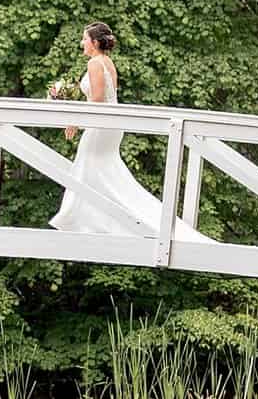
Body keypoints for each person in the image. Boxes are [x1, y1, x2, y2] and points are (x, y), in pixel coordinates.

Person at [48, 21, 169, 237]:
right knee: (105, 172)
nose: (81, 42)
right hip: (111, 124)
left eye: (85, 38)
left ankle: (88, 223)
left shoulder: (95, 63)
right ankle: (110, 222)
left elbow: (97, 100)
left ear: (94, 42)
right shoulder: (107, 62)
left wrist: (75, 120)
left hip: (102, 125)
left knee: (87, 166)